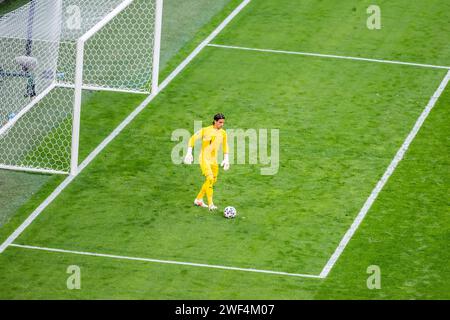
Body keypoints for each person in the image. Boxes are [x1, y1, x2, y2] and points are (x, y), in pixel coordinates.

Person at [184, 113, 230, 211]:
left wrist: (226, 158)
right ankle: (211, 204)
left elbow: (225, 145)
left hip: (214, 160)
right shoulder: (206, 130)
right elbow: (192, 138)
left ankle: (198, 199)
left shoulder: (223, 133)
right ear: (215, 121)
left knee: (213, 180)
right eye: (220, 122)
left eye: (223, 123)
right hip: (204, 158)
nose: (222, 124)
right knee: (209, 178)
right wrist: (189, 153)